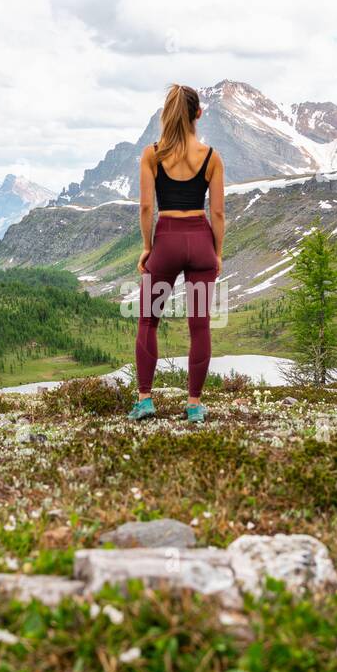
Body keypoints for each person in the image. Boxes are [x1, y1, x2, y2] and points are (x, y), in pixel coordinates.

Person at [128, 84, 225, 423]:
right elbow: (218, 214)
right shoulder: (212, 158)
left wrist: (147, 247)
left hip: (166, 241)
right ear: (198, 114)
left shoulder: (152, 154)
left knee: (147, 320)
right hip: (200, 242)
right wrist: (217, 252)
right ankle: (195, 404)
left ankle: (145, 400)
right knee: (200, 327)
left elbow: (145, 207)